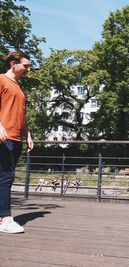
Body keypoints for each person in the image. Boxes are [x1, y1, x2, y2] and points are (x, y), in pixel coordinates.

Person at [0, 51, 33, 233]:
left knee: (5, 177)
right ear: (13, 64)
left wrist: (27, 134)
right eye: (25, 65)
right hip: (3, 137)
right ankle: (5, 219)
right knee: (6, 177)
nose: (28, 69)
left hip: (16, 138)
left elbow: (21, 114)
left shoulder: (19, 87)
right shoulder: (1, 80)